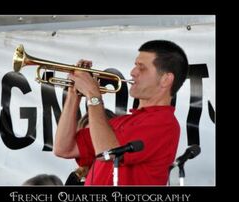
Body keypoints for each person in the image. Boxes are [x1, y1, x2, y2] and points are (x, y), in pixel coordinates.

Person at [54, 40, 189, 186]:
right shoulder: (122, 121)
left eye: (141, 68)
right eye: (135, 65)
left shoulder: (164, 123)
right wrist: (74, 93)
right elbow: (64, 148)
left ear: (165, 79)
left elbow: (107, 152)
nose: (133, 72)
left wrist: (93, 94)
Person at [65, 108, 118, 185]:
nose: (93, 143)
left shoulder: (121, 172)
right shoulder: (75, 177)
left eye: (98, 136)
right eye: (86, 138)